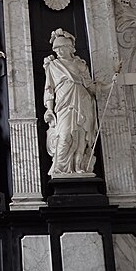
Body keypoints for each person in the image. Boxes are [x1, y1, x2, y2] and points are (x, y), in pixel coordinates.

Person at [43, 29, 97, 175]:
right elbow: (49, 89)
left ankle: (79, 167)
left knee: (81, 137)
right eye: (56, 48)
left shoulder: (80, 64)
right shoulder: (53, 66)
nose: (59, 51)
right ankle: (60, 169)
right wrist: (49, 109)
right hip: (64, 102)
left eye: (62, 47)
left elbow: (91, 86)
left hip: (82, 100)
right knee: (65, 135)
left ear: (70, 48)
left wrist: (110, 84)